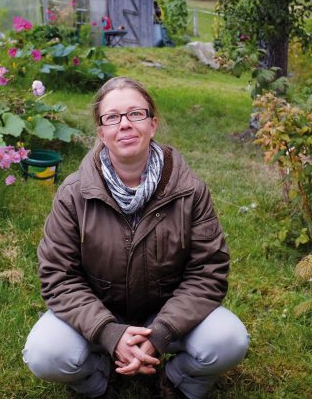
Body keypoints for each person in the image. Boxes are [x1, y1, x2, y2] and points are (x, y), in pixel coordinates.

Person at [23, 77, 249, 398]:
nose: (125, 125)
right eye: (112, 117)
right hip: (99, 314)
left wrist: (160, 332)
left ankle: (178, 380)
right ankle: (99, 380)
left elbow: (208, 273)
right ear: (101, 132)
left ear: (153, 124)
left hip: (168, 316)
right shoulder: (73, 194)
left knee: (229, 341)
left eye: (136, 114)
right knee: (46, 353)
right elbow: (58, 276)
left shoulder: (190, 191)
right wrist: (108, 332)